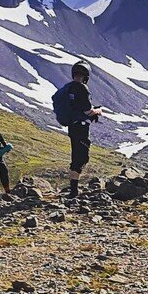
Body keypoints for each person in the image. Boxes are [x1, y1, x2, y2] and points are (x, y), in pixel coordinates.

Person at [59, 62, 101, 199]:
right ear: (86, 76)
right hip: (81, 127)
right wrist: (98, 111)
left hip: (72, 126)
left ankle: (73, 189)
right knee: (82, 157)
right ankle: (73, 191)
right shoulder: (82, 88)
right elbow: (87, 110)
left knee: (75, 155)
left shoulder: (68, 88)